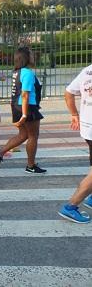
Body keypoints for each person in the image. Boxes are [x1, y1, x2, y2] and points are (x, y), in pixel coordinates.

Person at [0, 47, 46, 173]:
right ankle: (31, 165)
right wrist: (24, 114)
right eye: (31, 54)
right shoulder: (27, 73)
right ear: (26, 58)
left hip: (17, 105)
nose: (33, 56)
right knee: (33, 135)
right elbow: (25, 94)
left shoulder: (17, 72)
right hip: (26, 107)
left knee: (23, 135)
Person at [58, 64, 92, 223]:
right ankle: (71, 207)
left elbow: (69, 92)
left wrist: (74, 115)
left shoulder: (87, 70)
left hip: (87, 127)